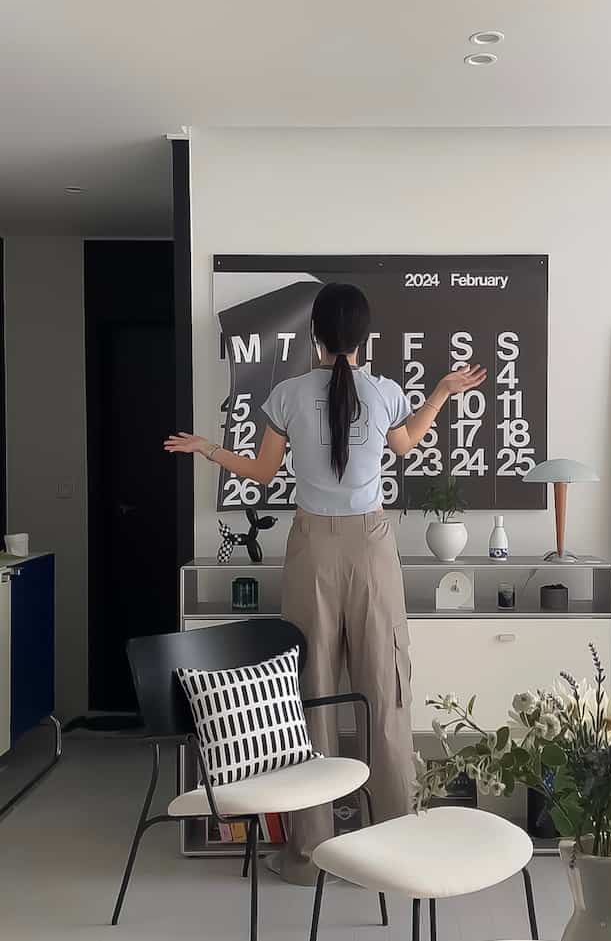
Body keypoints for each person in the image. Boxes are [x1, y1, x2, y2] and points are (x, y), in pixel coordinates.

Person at [165, 282, 486, 884]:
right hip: (371, 547)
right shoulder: (386, 393)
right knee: (384, 689)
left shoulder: (286, 394)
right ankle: (395, 843)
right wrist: (441, 391)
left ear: (314, 335)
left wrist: (208, 447)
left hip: (309, 546)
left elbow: (260, 474)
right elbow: (407, 445)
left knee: (308, 691)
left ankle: (310, 854)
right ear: (365, 337)